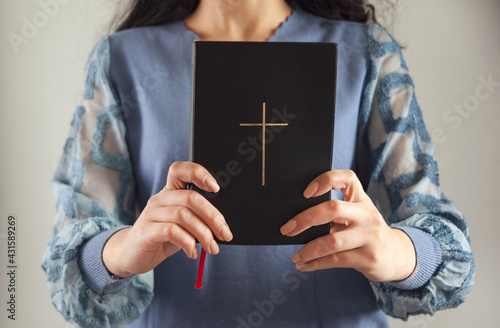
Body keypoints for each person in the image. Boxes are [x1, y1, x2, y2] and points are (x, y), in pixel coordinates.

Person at [42, 0, 475, 327]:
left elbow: (450, 250)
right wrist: (120, 252)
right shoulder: (122, 61)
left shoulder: (365, 53)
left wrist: (398, 253)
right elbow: (68, 265)